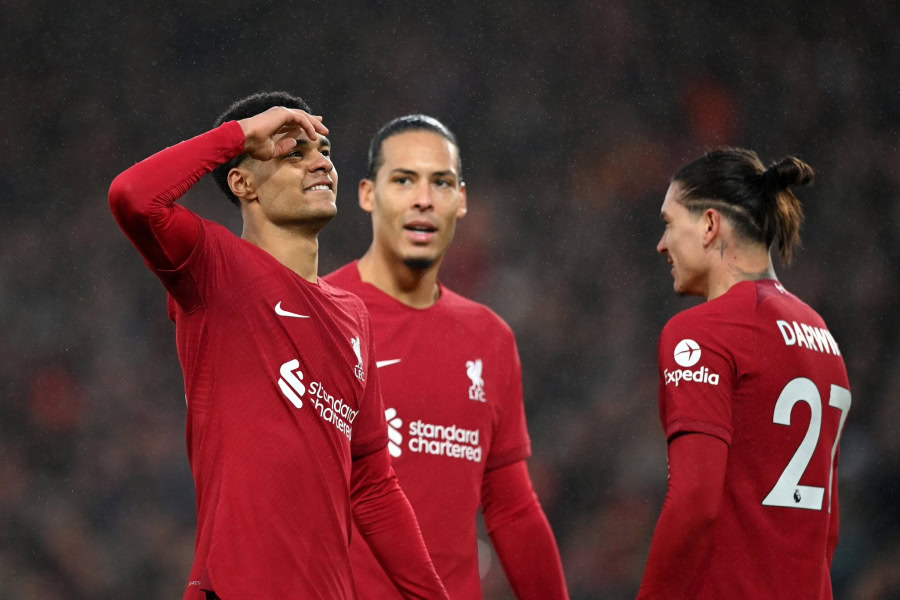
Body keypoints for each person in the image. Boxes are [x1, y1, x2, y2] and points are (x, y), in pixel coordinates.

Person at [108, 92, 448, 600]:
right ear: (242, 181)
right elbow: (133, 196)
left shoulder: (354, 316)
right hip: (236, 587)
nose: (321, 164)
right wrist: (240, 135)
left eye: (324, 150)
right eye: (295, 152)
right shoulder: (216, 268)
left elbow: (374, 487)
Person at [324, 115, 569, 599]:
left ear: (461, 201)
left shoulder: (490, 338)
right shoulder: (318, 315)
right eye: (403, 180)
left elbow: (512, 510)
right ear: (367, 195)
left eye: (441, 182)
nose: (423, 198)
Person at [637, 148, 851, 599]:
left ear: (710, 225)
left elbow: (695, 505)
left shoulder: (701, 333)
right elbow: (826, 527)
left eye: (669, 223)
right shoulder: (822, 336)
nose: (661, 243)